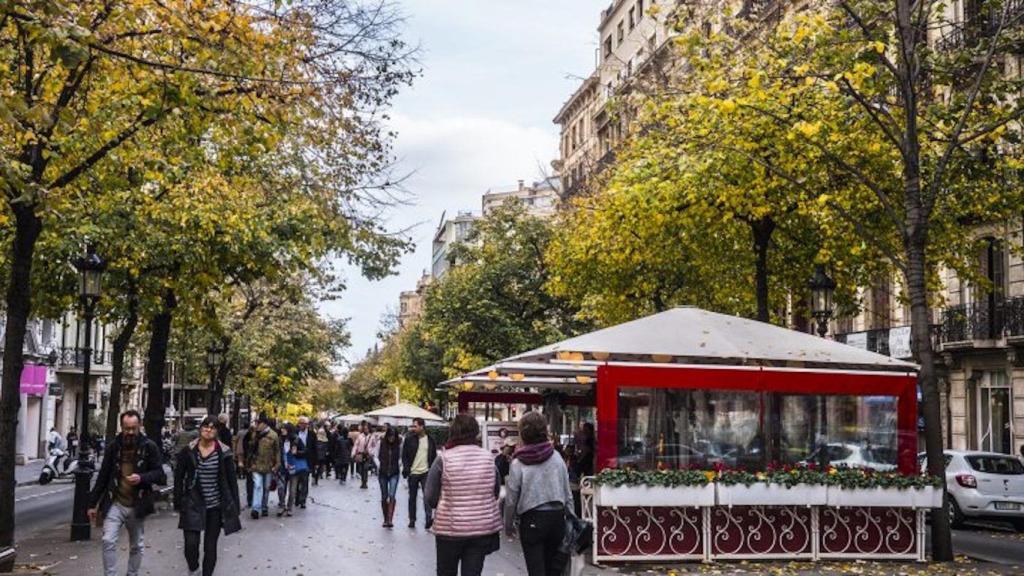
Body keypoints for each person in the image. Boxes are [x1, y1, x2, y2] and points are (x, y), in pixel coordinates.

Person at [87, 410, 167, 576]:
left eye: (133, 428)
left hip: (137, 504)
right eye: (126, 428)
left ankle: (132, 573)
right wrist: (92, 504)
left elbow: (160, 474)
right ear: (121, 427)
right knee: (108, 540)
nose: (130, 432)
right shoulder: (113, 447)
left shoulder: (149, 446)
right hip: (115, 502)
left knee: (136, 544)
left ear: (140, 426)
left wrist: (142, 478)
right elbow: (103, 476)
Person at [426, 414, 501, 576]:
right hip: (480, 530)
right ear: (475, 432)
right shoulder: (489, 459)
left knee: (446, 572)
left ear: (453, 432)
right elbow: (494, 492)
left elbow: (430, 497)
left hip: (449, 530)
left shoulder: (443, 460)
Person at [504, 412, 573, 576]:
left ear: (523, 434)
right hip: (557, 519)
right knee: (554, 570)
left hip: (532, 520)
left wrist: (508, 524)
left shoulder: (518, 462)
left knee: (536, 570)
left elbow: (511, 499)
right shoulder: (556, 457)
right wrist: (571, 518)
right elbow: (567, 493)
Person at [174, 416, 241, 576]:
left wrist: (235, 506)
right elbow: (179, 476)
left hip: (215, 506)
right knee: (191, 545)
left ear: (217, 431)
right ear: (200, 429)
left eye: (212, 427)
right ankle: (194, 569)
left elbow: (232, 480)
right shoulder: (189, 450)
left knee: (210, 546)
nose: (208, 430)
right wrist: (178, 500)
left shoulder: (224, 452)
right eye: (205, 426)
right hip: (192, 503)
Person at [401, 417, 437, 529]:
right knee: (412, 497)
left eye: (415, 426)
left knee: (427, 497)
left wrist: (432, 470)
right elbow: (404, 455)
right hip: (413, 472)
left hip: (426, 472)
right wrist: (407, 468)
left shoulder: (430, 440)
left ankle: (428, 519)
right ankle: (412, 519)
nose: (413, 428)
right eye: (413, 426)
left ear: (422, 427)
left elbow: (434, 456)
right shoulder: (409, 439)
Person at [248, 415, 280, 519]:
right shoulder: (254, 434)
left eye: (259, 423)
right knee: (257, 486)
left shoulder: (273, 435)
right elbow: (250, 449)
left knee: (266, 487)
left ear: (264, 424)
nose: (257, 425)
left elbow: (277, 451)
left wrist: (277, 464)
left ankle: (264, 506)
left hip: (269, 466)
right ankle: (256, 509)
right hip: (256, 465)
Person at [377, 424, 402, 528]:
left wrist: (399, 465)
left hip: (394, 472)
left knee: (392, 495)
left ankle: (390, 519)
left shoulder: (399, 445)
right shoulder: (381, 443)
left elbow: (401, 457)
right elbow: (375, 454)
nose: (391, 438)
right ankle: (385, 518)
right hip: (382, 472)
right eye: (390, 436)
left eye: (393, 436)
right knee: (384, 496)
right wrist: (379, 464)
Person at [294, 416, 316, 506]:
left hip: (307, 460)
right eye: (300, 423)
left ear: (307, 425)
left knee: (305, 481)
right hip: (296, 460)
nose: (302, 425)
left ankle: (303, 500)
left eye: (304, 424)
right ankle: (297, 498)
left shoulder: (312, 434)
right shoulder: (295, 433)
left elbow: (314, 448)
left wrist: (315, 463)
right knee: (296, 481)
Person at [352, 421, 372, 489]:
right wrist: (353, 453)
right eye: (365, 428)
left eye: (367, 428)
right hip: (360, 454)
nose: (366, 430)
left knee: (365, 468)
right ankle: (362, 481)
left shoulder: (371, 436)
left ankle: (365, 482)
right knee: (361, 469)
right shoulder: (360, 436)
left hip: (367, 455)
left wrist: (371, 452)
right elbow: (356, 445)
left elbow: (374, 446)